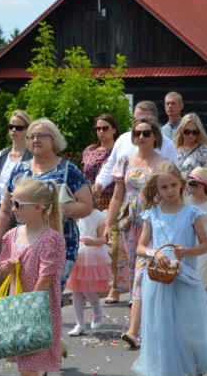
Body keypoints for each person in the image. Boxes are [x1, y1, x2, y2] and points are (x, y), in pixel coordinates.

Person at [132, 163, 207, 376]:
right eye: (163, 186)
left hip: (184, 278)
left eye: (173, 185)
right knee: (161, 330)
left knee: (189, 326)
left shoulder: (191, 213)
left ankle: (196, 368)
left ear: (182, 185)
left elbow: (205, 245)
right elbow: (140, 247)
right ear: (157, 188)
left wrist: (187, 251)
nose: (169, 190)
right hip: (158, 280)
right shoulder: (152, 214)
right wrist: (154, 253)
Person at [0, 178, 66, 376]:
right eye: (12, 202)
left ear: (38, 207)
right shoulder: (11, 236)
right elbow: (2, 266)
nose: (12, 208)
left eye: (17, 204)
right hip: (18, 310)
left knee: (28, 372)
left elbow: (46, 280)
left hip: (39, 314)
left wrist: (29, 312)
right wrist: (7, 266)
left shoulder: (52, 239)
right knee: (29, 372)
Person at [0, 118, 93, 292]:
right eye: (31, 137)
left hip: (61, 241)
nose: (35, 140)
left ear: (54, 139)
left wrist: (57, 209)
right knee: (24, 290)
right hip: (25, 243)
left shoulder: (68, 169)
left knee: (50, 290)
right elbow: (6, 210)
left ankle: (50, 318)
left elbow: (87, 206)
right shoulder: (20, 170)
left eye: (41, 136)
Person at [102, 117, 168, 348]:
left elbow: (172, 197)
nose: (141, 137)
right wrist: (109, 225)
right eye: (137, 133)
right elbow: (117, 195)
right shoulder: (125, 161)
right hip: (129, 222)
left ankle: (133, 330)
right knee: (132, 273)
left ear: (155, 136)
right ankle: (148, 325)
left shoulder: (164, 164)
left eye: (146, 133)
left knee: (142, 273)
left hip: (153, 223)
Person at [92, 100, 178, 200]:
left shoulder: (167, 144)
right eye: (135, 119)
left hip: (155, 204)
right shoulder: (122, 140)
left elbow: (175, 175)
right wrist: (100, 182)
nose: (140, 123)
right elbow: (111, 165)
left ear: (155, 120)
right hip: (126, 202)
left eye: (145, 119)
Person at [82, 114, 120, 302]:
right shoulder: (89, 150)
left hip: (113, 200)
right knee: (89, 244)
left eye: (105, 128)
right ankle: (90, 285)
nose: (101, 132)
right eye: (98, 128)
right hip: (91, 202)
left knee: (111, 245)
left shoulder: (118, 150)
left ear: (114, 129)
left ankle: (115, 285)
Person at [0, 110, 32, 231]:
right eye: (11, 126)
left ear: (27, 130)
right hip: (1, 210)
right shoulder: (2, 154)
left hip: (22, 211)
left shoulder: (32, 156)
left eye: (19, 127)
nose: (13, 130)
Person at [67, 206, 109, 336]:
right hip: (78, 253)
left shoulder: (98, 216)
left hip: (92, 255)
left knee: (88, 289)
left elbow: (103, 239)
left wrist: (93, 242)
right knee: (76, 289)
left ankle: (97, 311)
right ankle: (80, 324)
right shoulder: (75, 214)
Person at [185, 166, 207, 288]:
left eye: (197, 185)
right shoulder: (185, 202)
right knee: (188, 278)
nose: (193, 188)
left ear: (204, 185)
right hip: (188, 245)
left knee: (201, 278)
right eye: (191, 184)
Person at [173, 112, 207, 177]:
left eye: (195, 132)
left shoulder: (205, 151)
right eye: (187, 132)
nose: (191, 135)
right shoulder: (174, 149)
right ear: (181, 130)